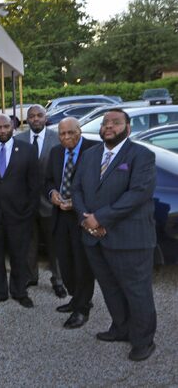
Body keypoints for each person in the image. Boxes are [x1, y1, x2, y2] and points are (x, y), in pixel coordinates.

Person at [71, 109, 158, 361]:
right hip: (94, 237)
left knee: (136, 291)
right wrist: (85, 218)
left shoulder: (142, 155)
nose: (109, 126)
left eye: (116, 123)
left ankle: (143, 341)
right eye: (105, 123)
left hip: (129, 239)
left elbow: (138, 194)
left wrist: (100, 217)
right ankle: (120, 328)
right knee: (110, 288)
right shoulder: (89, 156)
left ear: (127, 128)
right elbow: (76, 189)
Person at [0, 114, 40, 309]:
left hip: (19, 215)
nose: (2, 131)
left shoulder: (28, 150)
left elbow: (34, 185)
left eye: (6, 126)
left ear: (13, 127)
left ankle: (19, 291)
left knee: (19, 255)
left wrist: (28, 212)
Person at [45, 117, 98, 329]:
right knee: (65, 264)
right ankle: (77, 298)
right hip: (60, 217)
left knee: (82, 265)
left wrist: (76, 203)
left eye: (71, 133)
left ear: (80, 131)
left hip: (82, 218)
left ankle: (82, 309)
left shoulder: (94, 150)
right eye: (62, 134)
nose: (66, 137)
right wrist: (52, 193)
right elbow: (48, 180)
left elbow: (99, 186)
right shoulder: (56, 153)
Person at [17, 104, 65, 297]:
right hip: (26, 203)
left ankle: (58, 280)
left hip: (50, 201)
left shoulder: (57, 139)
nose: (35, 119)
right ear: (27, 120)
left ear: (46, 118)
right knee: (29, 242)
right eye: (31, 116)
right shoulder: (18, 139)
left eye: (39, 115)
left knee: (54, 244)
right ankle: (31, 276)